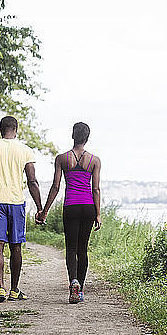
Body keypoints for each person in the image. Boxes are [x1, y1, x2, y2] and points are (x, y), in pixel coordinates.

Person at [0, 116, 43, 302]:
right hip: (16, 203)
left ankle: (0, 288)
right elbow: (32, 181)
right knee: (16, 246)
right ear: (16, 128)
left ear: (0, 129)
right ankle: (14, 290)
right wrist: (40, 208)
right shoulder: (25, 151)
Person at [37, 122, 101, 304]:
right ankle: (79, 287)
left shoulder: (62, 158)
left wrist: (44, 211)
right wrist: (98, 214)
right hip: (88, 206)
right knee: (83, 249)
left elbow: (56, 186)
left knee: (71, 248)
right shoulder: (95, 160)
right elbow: (95, 189)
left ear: (72, 136)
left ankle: (73, 281)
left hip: (71, 206)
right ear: (87, 138)